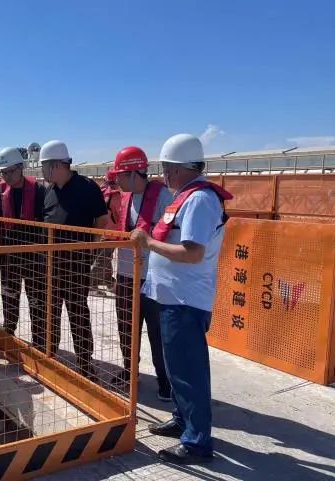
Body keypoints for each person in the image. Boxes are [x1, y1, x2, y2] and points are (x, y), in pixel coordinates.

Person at [132, 134, 233, 464]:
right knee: (176, 368)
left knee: (189, 371)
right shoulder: (186, 197)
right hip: (171, 297)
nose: (164, 175)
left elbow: (192, 253)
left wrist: (148, 243)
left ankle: (197, 442)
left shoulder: (200, 200)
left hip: (185, 301)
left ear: (178, 168)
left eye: (166, 169)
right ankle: (182, 420)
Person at [40, 140, 109, 380]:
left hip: (76, 264)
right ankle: (50, 354)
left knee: (78, 312)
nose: (42, 171)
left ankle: (85, 363)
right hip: (51, 263)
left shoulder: (87, 188)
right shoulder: (49, 191)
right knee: (51, 311)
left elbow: (102, 220)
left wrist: (89, 249)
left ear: (57, 165)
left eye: (44, 166)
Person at [110, 146, 173, 402]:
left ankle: (165, 381)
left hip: (153, 277)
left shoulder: (163, 197)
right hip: (126, 274)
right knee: (126, 327)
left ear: (135, 173)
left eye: (120, 175)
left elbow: (170, 235)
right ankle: (130, 371)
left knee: (157, 332)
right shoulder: (126, 197)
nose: (117, 180)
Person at [0, 147, 47, 348]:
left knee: (37, 301)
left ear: (21, 167)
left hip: (34, 257)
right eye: (3, 172)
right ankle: (9, 335)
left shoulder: (39, 191)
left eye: (11, 171)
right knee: (9, 297)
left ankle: (39, 342)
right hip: (9, 257)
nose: (7, 176)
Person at [89, 170, 120, 295]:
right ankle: (91, 285)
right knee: (102, 260)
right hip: (111, 233)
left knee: (105, 259)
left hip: (100, 231)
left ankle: (109, 283)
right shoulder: (116, 195)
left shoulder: (100, 191)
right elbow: (120, 215)